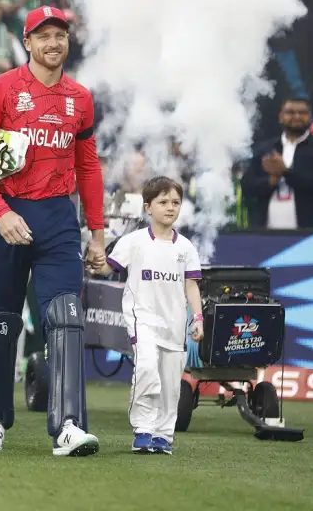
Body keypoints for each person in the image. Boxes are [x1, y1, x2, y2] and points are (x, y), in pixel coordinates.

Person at [0, 6, 106, 456]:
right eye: (43, 36)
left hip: (58, 218)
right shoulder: (1, 88)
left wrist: (97, 234)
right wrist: (0, 214)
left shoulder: (80, 98)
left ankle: (67, 425)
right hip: (8, 214)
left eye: (59, 35)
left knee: (65, 317)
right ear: (27, 42)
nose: (53, 43)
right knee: (1, 320)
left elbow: (88, 165)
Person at [91, 176, 204, 455]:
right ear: (147, 207)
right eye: (163, 202)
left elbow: (191, 285)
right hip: (142, 319)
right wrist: (95, 261)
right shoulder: (133, 242)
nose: (170, 207)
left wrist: (198, 318)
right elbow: (108, 268)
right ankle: (142, 430)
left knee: (170, 384)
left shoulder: (186, 248)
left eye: (175, 202)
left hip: (175, 324)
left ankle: (163, 435)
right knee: (146, 368)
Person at [241, 98, 313, 229]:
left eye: (302, 113)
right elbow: (247, 188)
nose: (297, 116)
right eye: (290, 112)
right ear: (281, 117)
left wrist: (286, 172)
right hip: (265, 233)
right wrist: (270, 181)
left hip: (308, 235)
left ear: (310, 116)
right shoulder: (264, 149)